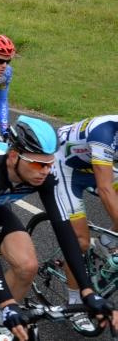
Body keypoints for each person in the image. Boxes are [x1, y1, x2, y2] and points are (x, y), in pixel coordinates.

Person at [0, 116, 118, 341]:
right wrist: (7, 301)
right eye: (38, 164)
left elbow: (64, 231)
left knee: (28, 266)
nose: (45, 171)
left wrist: (87, 291)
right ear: (12, 157)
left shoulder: (45, 175)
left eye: (48, 164)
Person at [53, 115, 118, 334]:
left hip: (90, 164)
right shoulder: (105, 133)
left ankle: (106, 241)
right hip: (63, 167)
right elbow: (105, 189)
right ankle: (75, 304)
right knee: (79, 242)